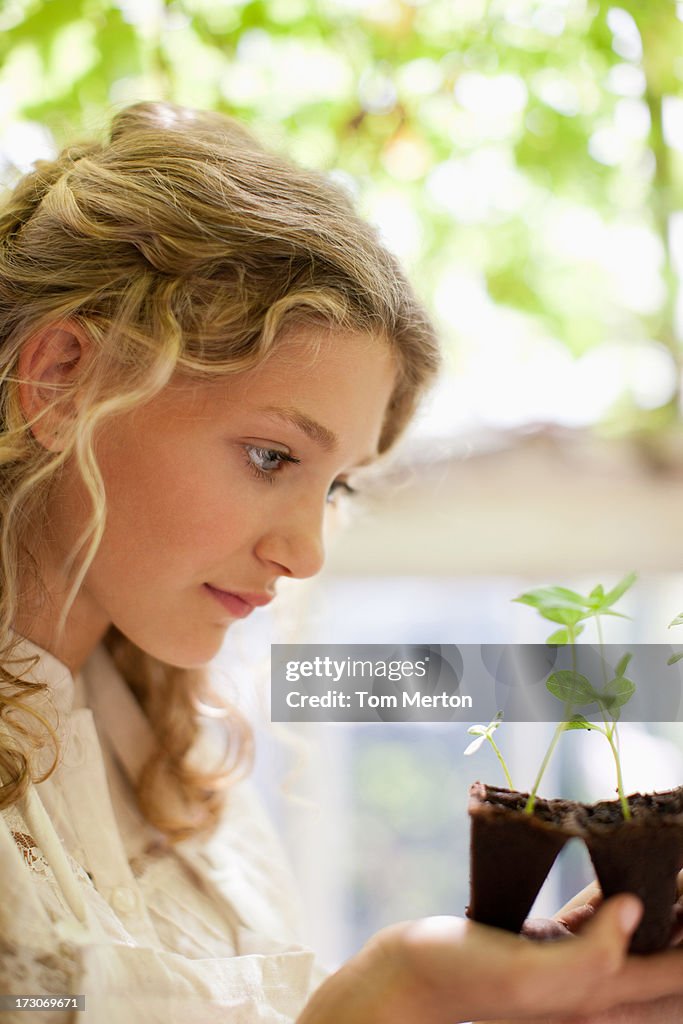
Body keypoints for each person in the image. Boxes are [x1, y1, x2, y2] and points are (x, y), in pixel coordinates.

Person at [0, 101, 681, 1024]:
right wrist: (379, 996)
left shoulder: (172, 768)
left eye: (336, 490)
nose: (307, 553)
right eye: (271, 456)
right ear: (58, 380)